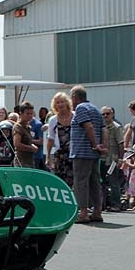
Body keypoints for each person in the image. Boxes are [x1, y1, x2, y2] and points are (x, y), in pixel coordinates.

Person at [69, 86, 106, 224]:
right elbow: (104, 130)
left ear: (74, 97)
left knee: (81, 182)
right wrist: (102, 146)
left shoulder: (80, 108)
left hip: (82, 151)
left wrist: (95, 144)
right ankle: (97, 211)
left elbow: (88, 126)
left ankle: (83, 213)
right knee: (95, 182)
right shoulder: (95, 109)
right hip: (94, 154)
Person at [45, 92, 73, 185]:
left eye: (62, 102)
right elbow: (50, 139)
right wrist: (48, 157)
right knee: (60, 180)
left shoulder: (75, 116)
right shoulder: (53, 120)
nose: (60, 104)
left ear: (67, 103)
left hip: (74, 154)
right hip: (60, 154)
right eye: (57, 103)